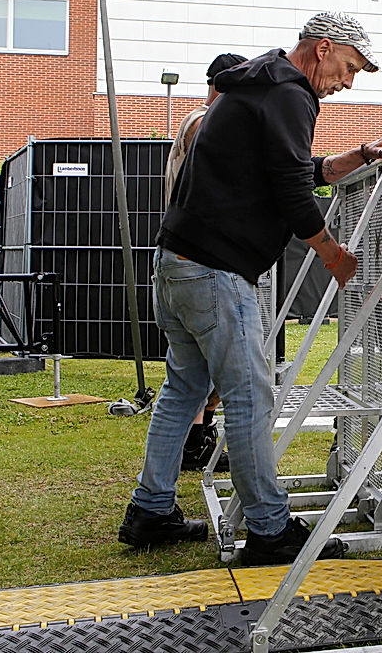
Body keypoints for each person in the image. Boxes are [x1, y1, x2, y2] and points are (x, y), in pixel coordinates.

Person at [119, 11, 382, 565]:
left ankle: (150, 509)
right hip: (216, 273)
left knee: (183, 392)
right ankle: (270, 531)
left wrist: (358, 156)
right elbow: (294, 194)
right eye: (349, 67)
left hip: (176, 264)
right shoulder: (292, 94)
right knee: (250, 399)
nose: (348, 82)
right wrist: (336, 257)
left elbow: (296, 170)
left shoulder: (256, 83)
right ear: (322, 49)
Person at [164, 52, 247, 473]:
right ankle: (196, 446)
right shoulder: (203, 121)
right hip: (200, 261)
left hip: (186, 261)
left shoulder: (199, 121)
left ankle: (193, 446)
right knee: (232, 377)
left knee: (190, 378)